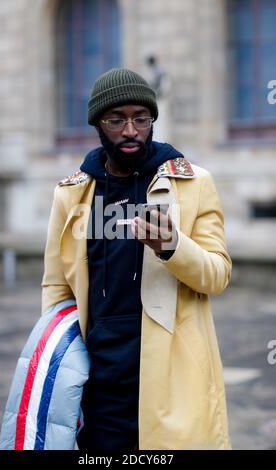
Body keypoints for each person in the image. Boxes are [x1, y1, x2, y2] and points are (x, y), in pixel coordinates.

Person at [41, 68, 232, 450]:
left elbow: (217, 274)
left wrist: (171, 246)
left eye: (140, 119)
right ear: (98, 123)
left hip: (170, 383)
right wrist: (60, 366)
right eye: (117, 120)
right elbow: (56, 287)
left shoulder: (193, 183)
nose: (130, 131)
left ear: (151, 121)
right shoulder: (71, 195)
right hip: (96, 386)